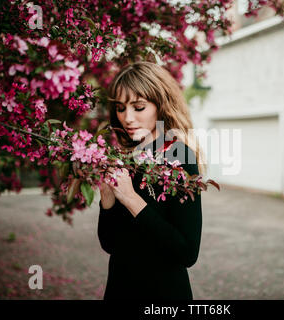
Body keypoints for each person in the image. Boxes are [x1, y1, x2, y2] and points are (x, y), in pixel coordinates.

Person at [97, 60, 204, 300]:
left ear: (160, 105)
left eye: (138, 107)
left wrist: (132, 199)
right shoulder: (124, 159)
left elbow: (187, 253)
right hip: (119, 290)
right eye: (121, 108)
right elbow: (110, 244)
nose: (127, 117)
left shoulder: (180, 157)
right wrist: (107, 198)